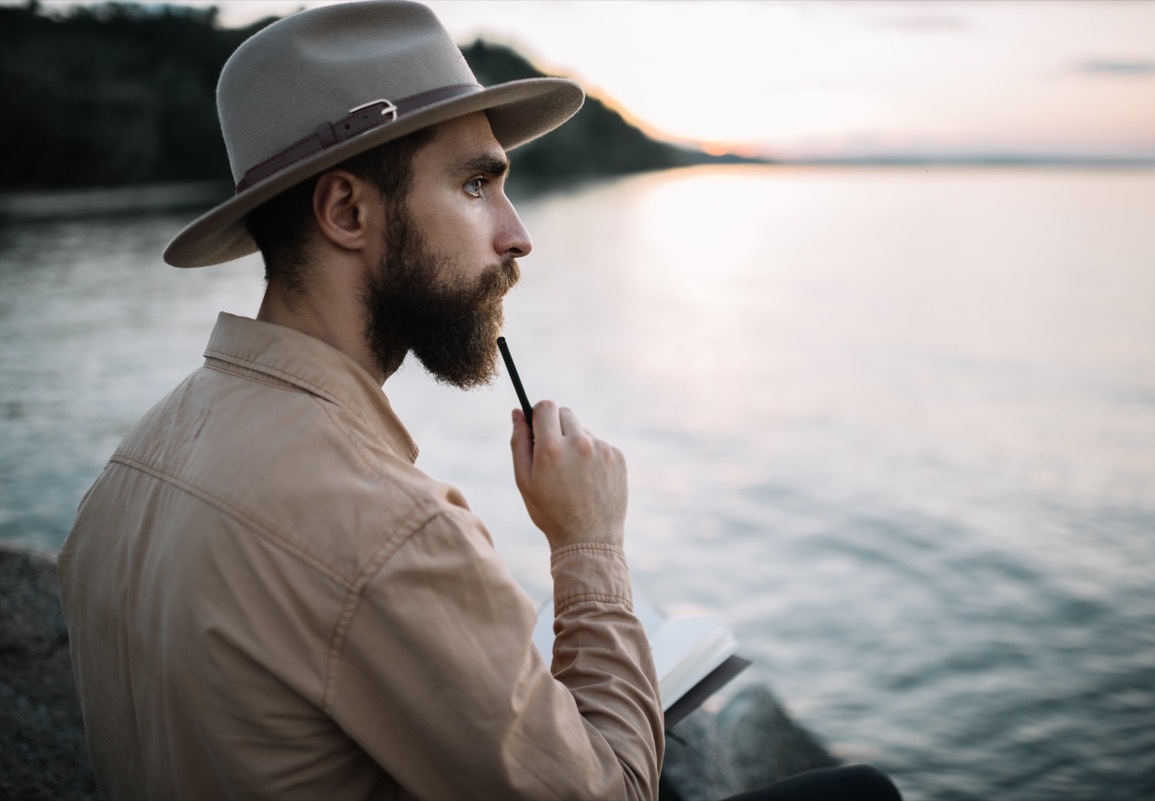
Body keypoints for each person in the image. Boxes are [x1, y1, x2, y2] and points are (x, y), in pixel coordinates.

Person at [58, 2, 902, 799]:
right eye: (475, 185)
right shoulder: (384, 529)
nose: (517, 232)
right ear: (347, 209)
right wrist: (588, 544)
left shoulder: (129, 468)